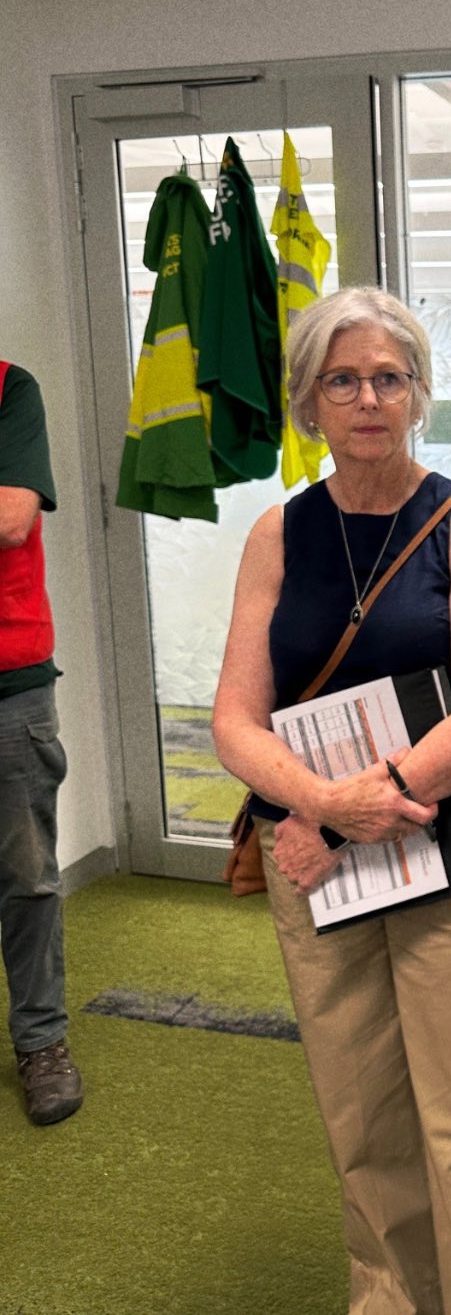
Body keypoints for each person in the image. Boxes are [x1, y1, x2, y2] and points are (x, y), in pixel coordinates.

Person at [212, 287, 451, 1315]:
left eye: (388, 377)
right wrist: (320, 808)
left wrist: (352, 807)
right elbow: (237, 718)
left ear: (416, 394)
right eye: (343, 379)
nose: (368, 397)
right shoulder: (278, 535)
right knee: (365, 1127)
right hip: (319, 866)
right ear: (308, 403)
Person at [0, 361, 83, 1127]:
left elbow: (11, 517)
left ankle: (41, 1041)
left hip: (10, 681)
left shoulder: (10, 390)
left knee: (26, 875)